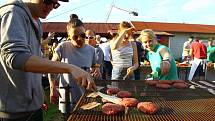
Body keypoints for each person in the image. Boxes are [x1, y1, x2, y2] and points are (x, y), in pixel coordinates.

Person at [0, 0, 96, 121]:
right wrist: (70, 68)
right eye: (47, 1)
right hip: (14, 111)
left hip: (33, 107)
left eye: (55, 4)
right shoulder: (13, 13)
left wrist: (38, 92)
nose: (50, 7)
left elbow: (34, 61)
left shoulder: (37, 22)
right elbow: (17, 58)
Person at [49, 16, 100, 115]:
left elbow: (94, 65)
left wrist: (96, 69)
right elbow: (52, 66)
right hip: (67, 97)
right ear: (69, 36)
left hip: (86, 96)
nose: (80, 39)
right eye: (75, 37)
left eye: (82, 35)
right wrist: (52, 87)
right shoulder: (63, 47)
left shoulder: (91, 50)